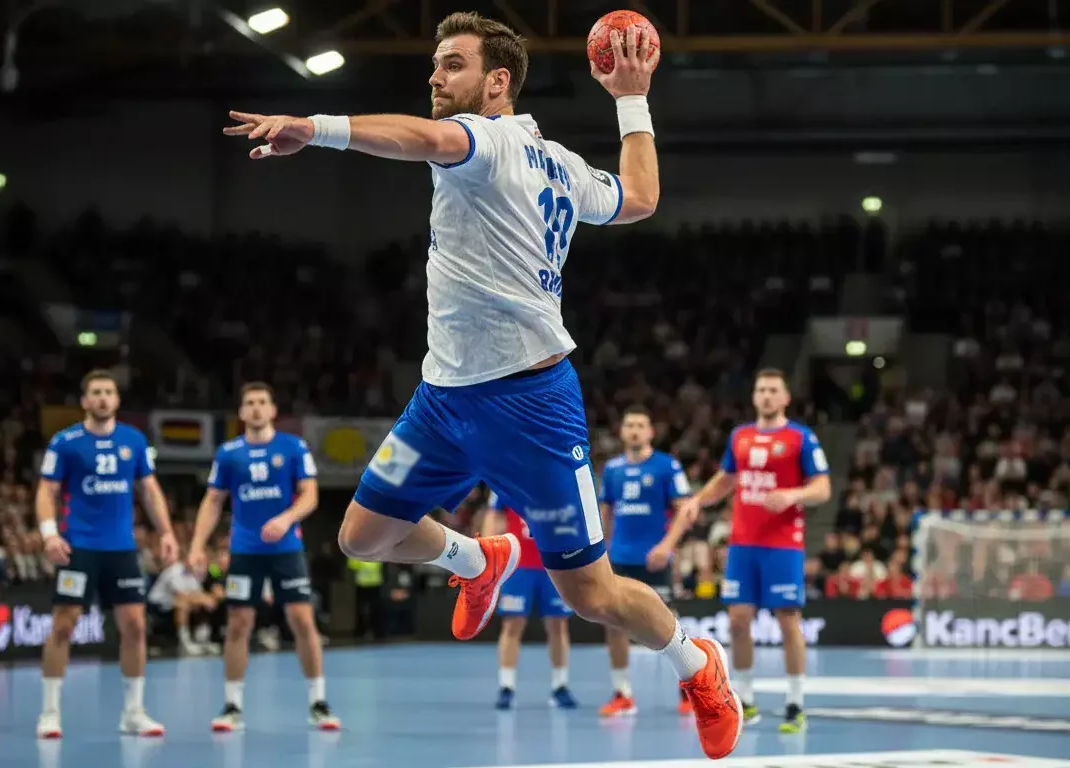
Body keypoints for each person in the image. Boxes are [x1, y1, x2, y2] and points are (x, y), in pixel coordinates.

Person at [225, 12, 741, 759]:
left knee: (591, 597)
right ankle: (479, 559)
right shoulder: (559, 162)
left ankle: (698, 666)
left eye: (453, 65)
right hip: (443, 401)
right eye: (435, 64)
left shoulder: (485, 140)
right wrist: (632, 100)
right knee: (363, 535)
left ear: (497, 84)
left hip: (531, 409)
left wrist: (317, 126)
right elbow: (637, 197)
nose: (435, 77)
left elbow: (427, 140)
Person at [679, 369, 832, 734]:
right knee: (737, 619)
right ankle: (744, 699)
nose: (765, 395)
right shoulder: (740, 436)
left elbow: (823, 488)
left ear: (785, 398)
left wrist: (793, 495)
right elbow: (727, 478)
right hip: (743, 543)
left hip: (782, 545)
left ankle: (795, 703)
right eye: (760, 389)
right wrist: (698, 500)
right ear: (754, 396)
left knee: (787, 621)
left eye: (772, 390)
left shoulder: (801, 438)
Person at [189, 382, 341, 732]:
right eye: (249, 403)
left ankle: (318, 701)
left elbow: (310, 495)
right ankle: (232, 706)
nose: (256, 408)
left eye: (262, 402)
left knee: (302, 621)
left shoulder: (292, 448)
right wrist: (197, 544)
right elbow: (212, 501)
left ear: (273, 410)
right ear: (242, 413)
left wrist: (286, 518)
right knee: (239, 624)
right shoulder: (229, 453)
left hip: (286, 550)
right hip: (245, 551)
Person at [35, 369, 178, 739]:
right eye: (95, 392)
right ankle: (49, 712)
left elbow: (149, 490)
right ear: (84, 400)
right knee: (63, 624)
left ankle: (133, 711)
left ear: (116, 400)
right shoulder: (65, 442)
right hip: (79, 546)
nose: (102, 398)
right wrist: (49, 534)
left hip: (122, 549)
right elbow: (47, 491)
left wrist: (166, 532)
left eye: (108, 392)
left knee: (135, 626)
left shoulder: (133, 440)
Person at [597, 406, 696, 718]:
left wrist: (666, 546)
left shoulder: (667, 466)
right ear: (622, 432)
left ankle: (688, 690)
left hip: (655, 560)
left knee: (669, 625)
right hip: (620, 559)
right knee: (613, 625)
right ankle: (622, 693)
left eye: (641, 425)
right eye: (630, 425)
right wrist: (601, 552)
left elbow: (686, 510)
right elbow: (606, 513)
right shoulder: (612, 470)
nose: (635, 430)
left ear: (651, 431)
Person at [478, 491, 577, 711]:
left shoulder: (555, 474)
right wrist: (486, 553)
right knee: (512, 625)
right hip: (519, 566)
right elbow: (493, 515)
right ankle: (506, 686)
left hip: (553, 565)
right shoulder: (506, 477)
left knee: (558, 624)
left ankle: (560, 686)